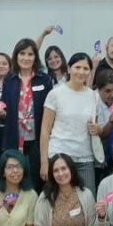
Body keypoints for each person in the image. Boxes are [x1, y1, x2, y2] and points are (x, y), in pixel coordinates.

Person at [39, 52, 106, 195]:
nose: (81, 72)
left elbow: (100, 127)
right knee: (56, 200)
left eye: (86, 68)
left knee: (87, 200)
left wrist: (97, 129)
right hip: (59, 156)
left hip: (85, 157)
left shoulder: (94, 96)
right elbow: (45, 130)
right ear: (69, 69)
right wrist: (44, 162)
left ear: (90, 71)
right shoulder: (56, 94)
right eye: (77, 67)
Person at [0, 39, 53, 189]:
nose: (26, 58)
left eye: (30, 54)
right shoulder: (9, 80)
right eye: (22, 53)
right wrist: (0, 111)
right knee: (15, 178)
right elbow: (3, 107)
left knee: (38, 179)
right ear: (16, 56)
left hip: (38, 138)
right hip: (15, 137)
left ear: (35, 57)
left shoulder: (45, 79)